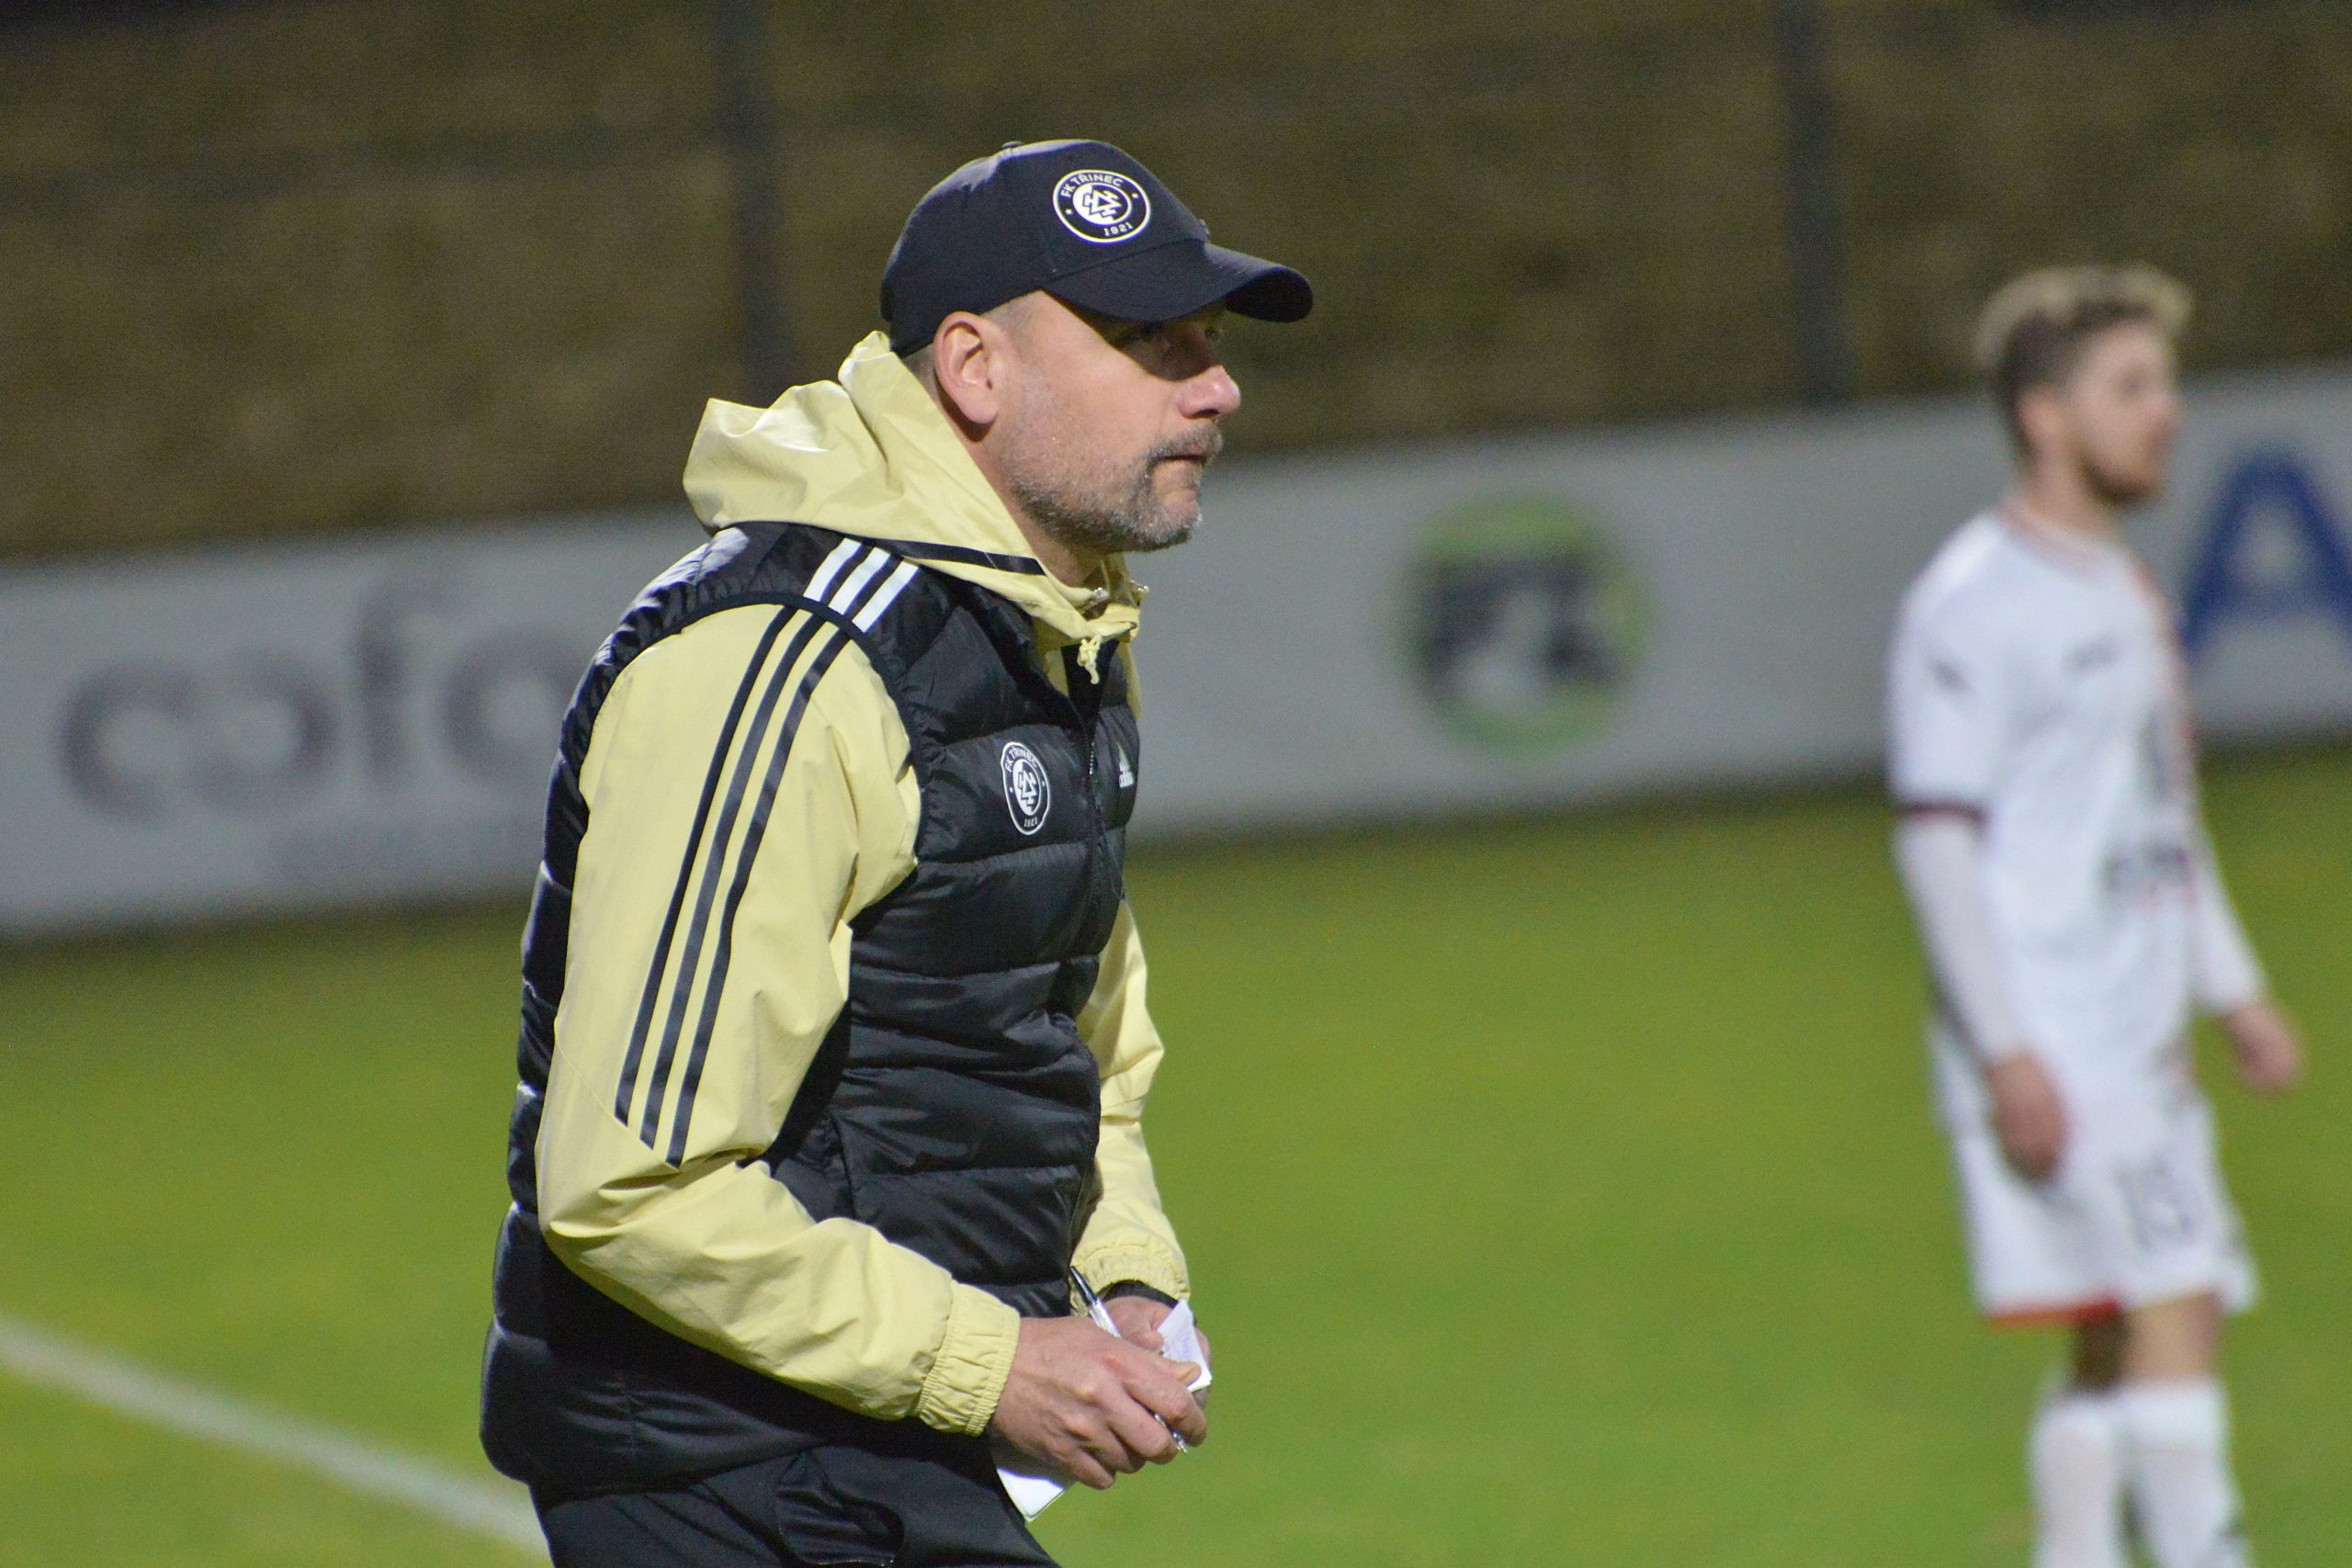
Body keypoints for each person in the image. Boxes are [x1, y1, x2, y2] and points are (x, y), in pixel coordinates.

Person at [479, 139, 1310, 1566]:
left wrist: (1121, 1272)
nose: (1214, 385)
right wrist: (992, 1365)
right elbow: (633, 1183)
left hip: (873, 1437)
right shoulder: (784, 659)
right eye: (1145, 342)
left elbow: (1066, 1042)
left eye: (1210, 339)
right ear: (976, 370)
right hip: (724, 1465)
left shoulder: (1054, 630)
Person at [1886, 265, 2303, 1568]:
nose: (2165, 411)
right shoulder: (1973, 604)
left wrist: (2231, 989)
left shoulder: (2122, 589)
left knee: (2114, 1333)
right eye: (2131, 387)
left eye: (2164, 384)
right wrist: (2008, 1051)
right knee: (2181, 1306)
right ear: (2046, 416)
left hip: (2133, 1029)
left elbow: (2161, 821)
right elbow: (1937, 840)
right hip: (2056, 1034)